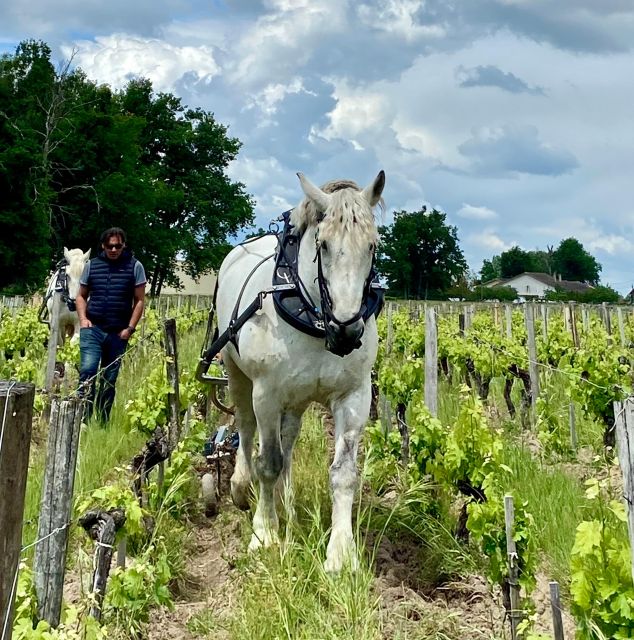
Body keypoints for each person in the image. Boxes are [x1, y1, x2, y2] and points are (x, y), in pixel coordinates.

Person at [76, 227, 146, 422]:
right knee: (88, 371)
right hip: (93, 329)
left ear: (124, 246)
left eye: (117, 246)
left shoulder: (135, 267)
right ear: (103, 246)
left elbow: (139, 300)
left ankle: (102, 420)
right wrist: (83, 320)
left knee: (109, 378)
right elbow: (81, 296)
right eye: (109, 246)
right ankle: (83, 419)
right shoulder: (92, 265)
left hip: (118, 332)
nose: (113, 250)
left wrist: (130, 329)